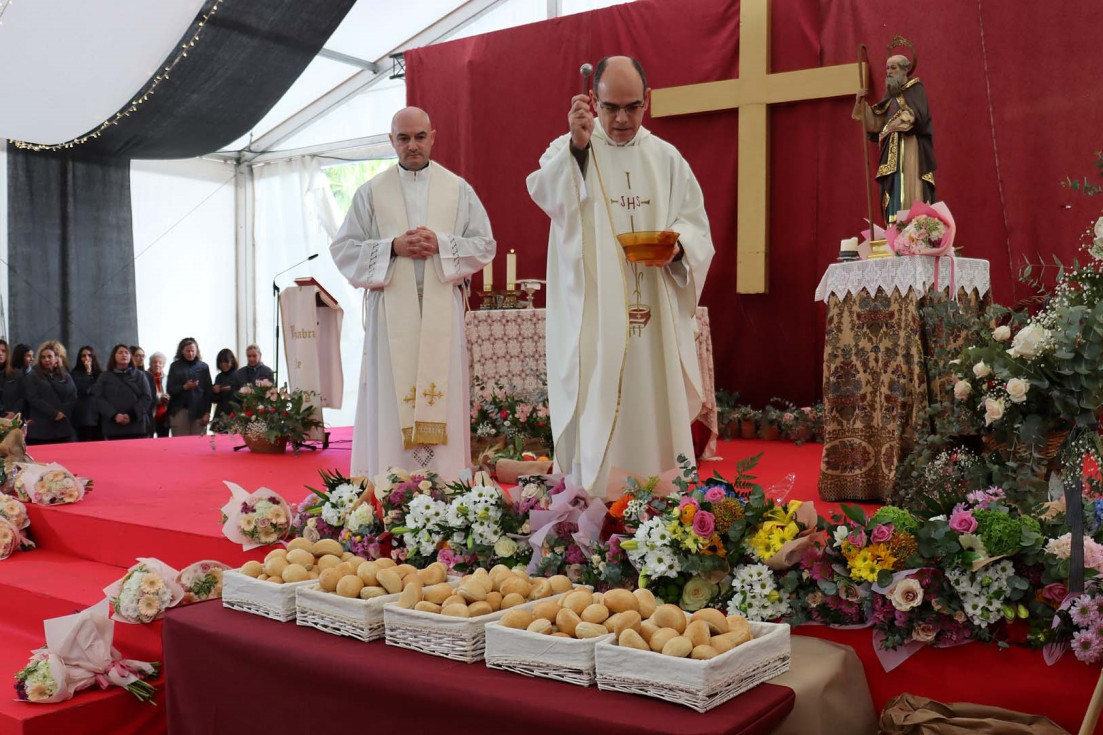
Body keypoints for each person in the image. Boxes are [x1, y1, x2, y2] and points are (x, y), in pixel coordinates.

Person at [527, 55, 714, 496]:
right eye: (611, 108)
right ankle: (596, 491)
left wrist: (678, 249)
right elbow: (546, 193)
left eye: (633, 107)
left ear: (647, 100)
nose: (622, 119)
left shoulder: (666, 158)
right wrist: (577, 148)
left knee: (653, 397)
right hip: (596, 310)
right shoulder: (573, 147)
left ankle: (662, 493)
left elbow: (696, 225)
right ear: (593, 101)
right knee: (598, 392)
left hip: (655, 306)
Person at [331, 106, 495, 479]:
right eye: (403, 138)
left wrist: (442, 244)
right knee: (392, 398)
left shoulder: (458, 189)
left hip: (441, 313)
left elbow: (484, 244)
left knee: (443, 395)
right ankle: (390, 479)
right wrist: (391, 247)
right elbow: (343, 249)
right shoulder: (371, 192)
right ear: (392, 141)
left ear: (432, 137)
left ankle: (447, 482)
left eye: (420, 137)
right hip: (391, 317)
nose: (412, 146)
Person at [853, 52, 936, 224]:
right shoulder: (890, 96)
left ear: (905, 69)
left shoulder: (916, 88)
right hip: (892, 150)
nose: (889, 72)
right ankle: (895, 224)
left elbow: (920, 115)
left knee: (910, 182)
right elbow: (877, 123)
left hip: (910, 146)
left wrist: (903, 119)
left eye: (893, 68)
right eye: (887, 68)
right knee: (894, 184)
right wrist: (861, 104)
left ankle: (914, 224)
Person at [93, 344, 152, 440]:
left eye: (126, 353)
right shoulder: (104, 376)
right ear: (114, 356)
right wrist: (114, 415)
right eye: (120, 352)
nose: (124, 355)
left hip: (137, 425)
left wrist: (131, 415)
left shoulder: (140, 375)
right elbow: (98, 398)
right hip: (113, 426)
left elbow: (147, 397)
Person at [23, 342, 76, 444]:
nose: (46, 360)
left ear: (56, 358)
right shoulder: (33, 376)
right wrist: (54, 413)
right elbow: (33, 398)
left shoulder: (64, 375)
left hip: (62, 426)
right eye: (43, 357)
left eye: (49, 357)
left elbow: (73, 394)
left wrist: (63, 412)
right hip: (41, 428)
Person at [166, 337, 212, 436]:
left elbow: (208, 392)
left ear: (197, 351)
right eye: (187, 351)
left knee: (198, 443)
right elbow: (170, 389)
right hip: (179, 411)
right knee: (180, 443)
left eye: (193, 351)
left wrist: (207, 413)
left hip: (199, 412)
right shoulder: (174, 366)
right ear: (182, 351)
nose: (190, 354)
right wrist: (184, 387)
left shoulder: (203, 367)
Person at [72, 345, 103, 442]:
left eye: (89, 355)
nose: (87, 358)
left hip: (100, 417)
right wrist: (88, 373)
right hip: (86, 418)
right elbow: (85, 390)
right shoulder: (75, 374)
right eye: (83, 356)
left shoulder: (101, 374)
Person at [1, 344, 33, 418]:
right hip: (9, 415)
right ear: (20, 356)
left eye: (32, 356)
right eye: (28, 356)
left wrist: (15, 411)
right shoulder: (9, 374)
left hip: (25, 416)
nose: (32, 359)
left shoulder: (33, 374)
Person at [211, 348, 241, 427]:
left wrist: (232, 390)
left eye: (226, 361)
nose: (223, 364)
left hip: (235, 414)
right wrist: (216, 392)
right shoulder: (219, 377)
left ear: (232, 361)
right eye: (221, 362)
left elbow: (243, 396)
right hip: (221, 414)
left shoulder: (239, 375)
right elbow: (214, 399)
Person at [148, 351, 171, 438]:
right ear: (150, 364)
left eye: (160, 362)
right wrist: (160, 397)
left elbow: (171, 392)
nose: (157, 365)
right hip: (150, 414)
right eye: (155, 362)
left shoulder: (167, 378)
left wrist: (168, 397)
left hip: (164, 416)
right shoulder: (145, 377)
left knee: (164, 441)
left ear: (163, 365)